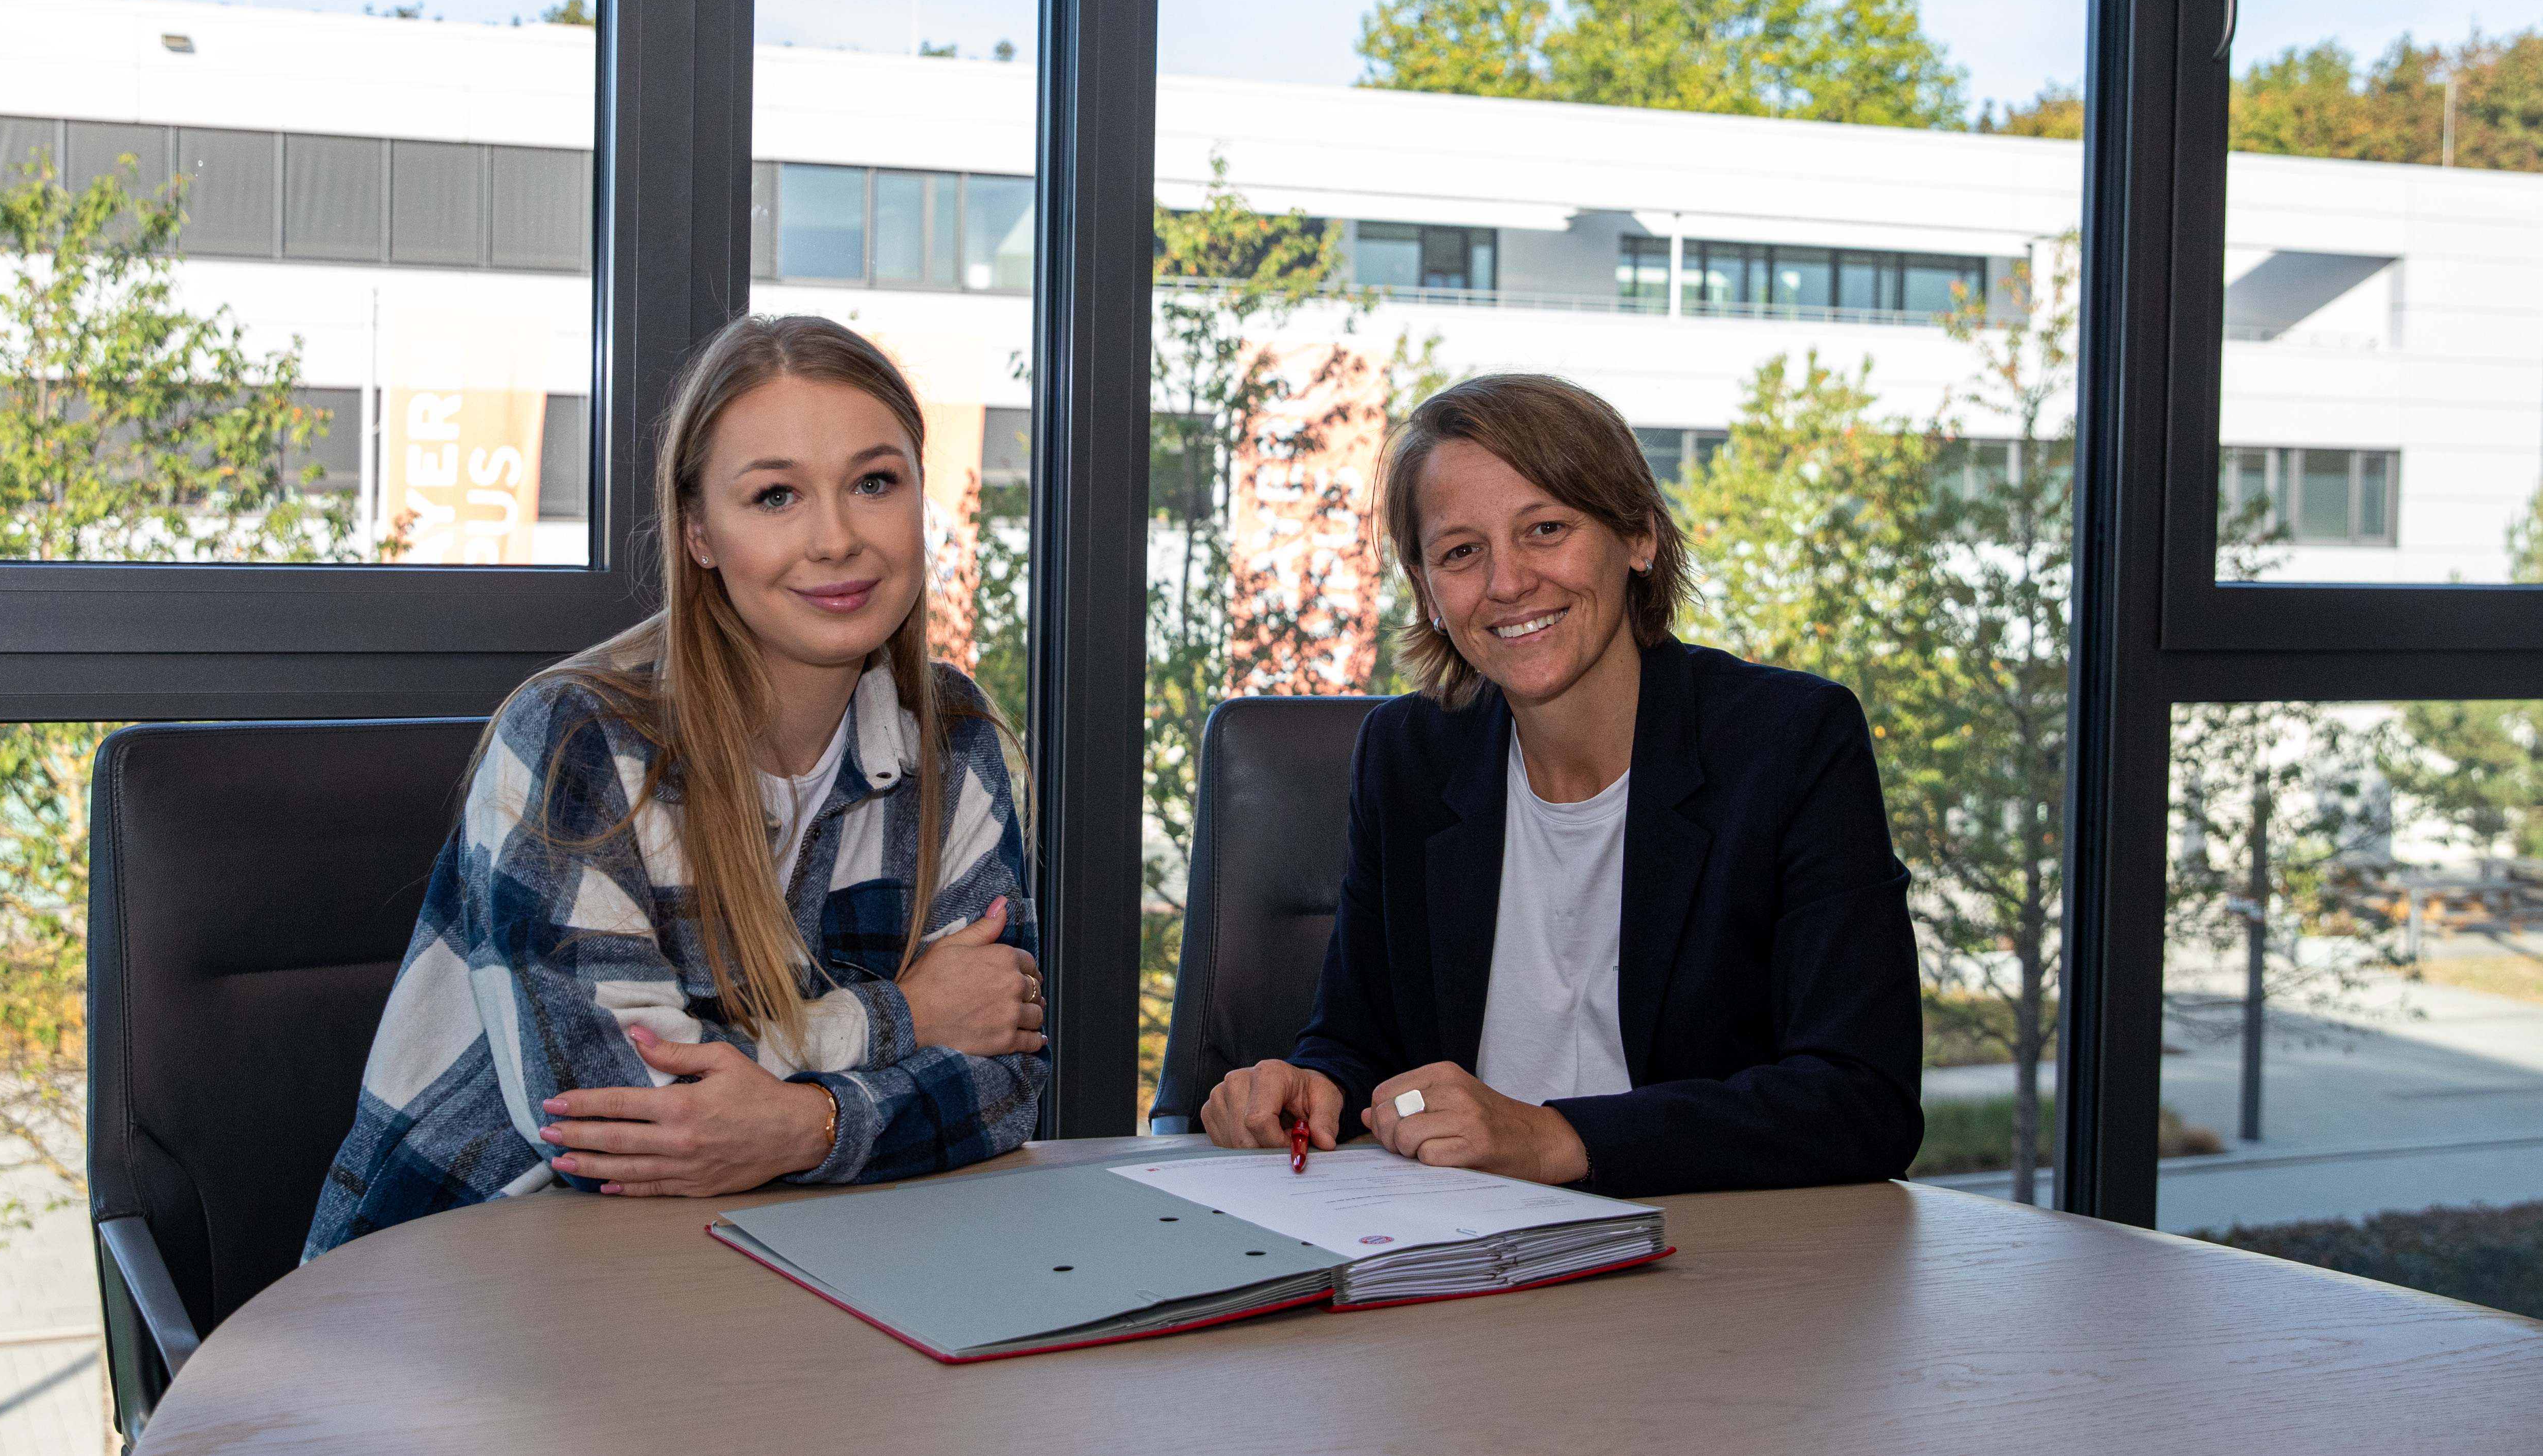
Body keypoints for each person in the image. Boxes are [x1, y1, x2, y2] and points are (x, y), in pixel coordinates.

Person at [306, 316, 1042, 1259]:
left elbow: (1005, 1088)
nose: (835, 539)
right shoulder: (577, 737)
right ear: (699, 532)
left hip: (801, 1265)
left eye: (873, 482)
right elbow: (612, 1118)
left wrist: (797, 1125)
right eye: (775, 496)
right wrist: (906, 1019)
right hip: (463, 1280)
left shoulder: (956, 740)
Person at [1198, 373, 1921, 1195]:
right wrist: (1311, 1084)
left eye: (1545, 529)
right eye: (1461, 552)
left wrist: (1557, 1138)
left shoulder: (1790, 743)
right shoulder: (1406, 756)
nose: (1507, 583)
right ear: (1427, 589)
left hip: (1716, 1257)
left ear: (1638, 536)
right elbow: (1361, 1041)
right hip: (1458, 1241)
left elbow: (1862, 1101)